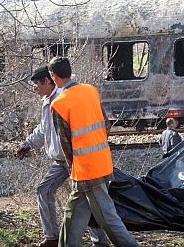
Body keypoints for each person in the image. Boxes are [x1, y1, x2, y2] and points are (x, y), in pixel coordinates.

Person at [48, 57, 139, 247]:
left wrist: (73, 170)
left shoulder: (59, 104)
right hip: (102, 161)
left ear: (53, 77)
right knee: (74, 212)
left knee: (108, 218)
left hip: (86, 170)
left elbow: (66, 145)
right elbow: (105, 124)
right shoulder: (90, 91)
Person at [16, 65, 109, 247]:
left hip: (76, 159)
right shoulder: (47, 101)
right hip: (61, 161)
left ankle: (100, 242)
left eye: (36, 83)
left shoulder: (62, 99)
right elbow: (44, 129)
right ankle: (52, 238)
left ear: (47, 81)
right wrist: (27, 144)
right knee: (43, 191)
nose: (34, 87)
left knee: (89, 200)